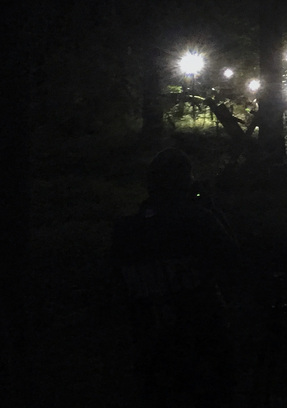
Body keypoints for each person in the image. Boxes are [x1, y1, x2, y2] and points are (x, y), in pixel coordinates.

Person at [110, 147, 238, 406]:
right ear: (185, 184)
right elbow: (234, 260)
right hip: (201, 344)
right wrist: (210, 208)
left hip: (151, 346)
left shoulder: (125, 230)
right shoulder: (198, 222)